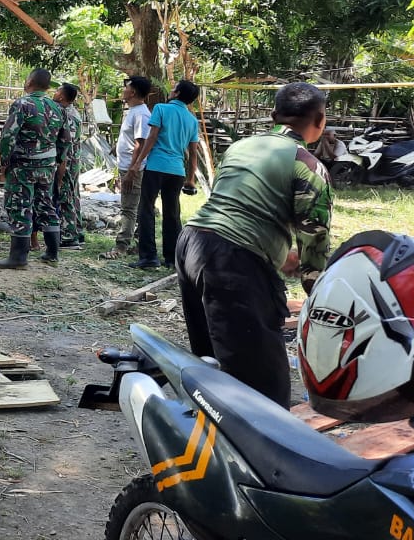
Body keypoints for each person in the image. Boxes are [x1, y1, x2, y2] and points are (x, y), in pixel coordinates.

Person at [176, 82, 332, 407]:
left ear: (274, 115)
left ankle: (213, 441)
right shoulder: (308, 165)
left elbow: (241, 206)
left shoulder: (240, 147)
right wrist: (321, 300)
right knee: (264, 384)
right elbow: (314, 239)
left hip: (191, 243)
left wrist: (277, 254)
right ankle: (260, 452)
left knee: (213, 361)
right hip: (229, 260)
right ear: (320, 120)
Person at [0, 69, 70, 269]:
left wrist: (5, 162)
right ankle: (52, 253)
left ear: (29, 82)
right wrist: (57, 160)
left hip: (23, 166)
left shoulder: (22, 104)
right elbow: (65, 140)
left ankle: (18, 258)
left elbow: (8, 136)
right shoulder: (58, 108)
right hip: (47, 167)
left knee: (20, 206)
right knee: (46, 205)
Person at [124, 79, 201, 270]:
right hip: (177, 171)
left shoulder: (161, 108)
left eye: (173, 89)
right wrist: (190, 179)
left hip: (157, 166)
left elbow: (151, 137)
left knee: (147, 210)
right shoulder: (192, 120)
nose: (171, 91)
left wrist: (137, 164)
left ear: (176, 93)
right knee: (172, 213)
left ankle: (149, 257)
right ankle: (173, 258)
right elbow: (193, 154)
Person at [101, 76, 154, 261]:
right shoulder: (133, 111)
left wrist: (133, 169)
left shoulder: (140, 114)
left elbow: (140, 143)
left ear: (132, 92)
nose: (123, 91)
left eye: (126, 88)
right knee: (134, 206)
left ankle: (121, 246)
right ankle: (138, 243)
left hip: (133, 169)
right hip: (127, 166)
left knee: (128, 208)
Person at [53, 82, 84, 248]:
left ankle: (69, 236)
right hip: (72, 161)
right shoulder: (68, 112)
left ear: (62, 96)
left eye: (57, 90)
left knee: (66, 196)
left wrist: (61, 166)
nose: (54, 92)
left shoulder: (69, 115)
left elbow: (67, 144)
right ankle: (77, 231)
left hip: (68, 162)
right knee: (72, 195)